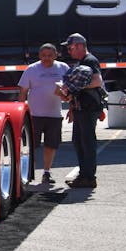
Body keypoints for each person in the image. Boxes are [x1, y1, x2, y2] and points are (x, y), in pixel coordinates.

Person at [57, 32, 104, 189]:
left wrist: (74, 87)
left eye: (70, 48)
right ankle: (84, 174)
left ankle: (89, 177)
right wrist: (72, 106)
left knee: (86, 143)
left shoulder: (90, 60)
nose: (69, 52)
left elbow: (97, 81)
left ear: (79, 46)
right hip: (81, 108)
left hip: (88, 107)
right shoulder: (83, 61)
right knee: (79, 142)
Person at [18, 43, 69, 185]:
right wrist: (21, 114)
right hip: (35, 115)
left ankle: (46, 173)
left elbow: (71, 89)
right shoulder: (32, 69)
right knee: (30, 146)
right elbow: (23, 92)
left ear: (56, 55)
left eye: (50, 55)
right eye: (43, 55)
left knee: (51, 145)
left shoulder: (63, 68)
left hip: (54, 115)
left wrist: (71, 108)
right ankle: (27, 173)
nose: (46, 58)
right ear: (39, 56)